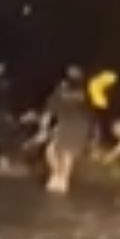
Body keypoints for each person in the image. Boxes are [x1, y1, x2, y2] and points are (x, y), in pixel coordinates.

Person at [43, 65, 96, 194]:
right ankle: (58, 174)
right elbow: (91, 110)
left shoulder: (66, 90)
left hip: (74, 124)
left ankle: (63, 180)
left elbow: (49, 109)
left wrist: (44, 125)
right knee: (52, 150)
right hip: (72, 124)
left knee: (65, 152)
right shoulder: (83, 92)